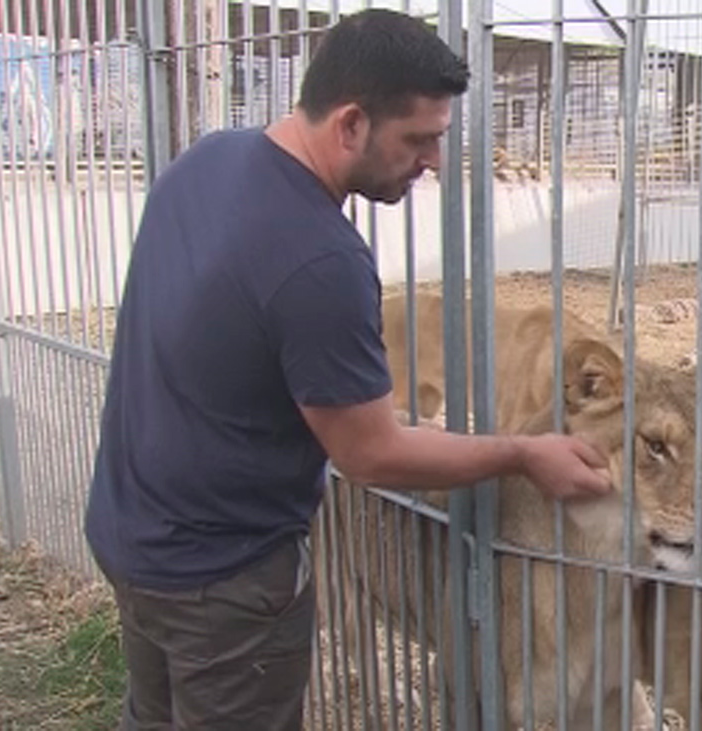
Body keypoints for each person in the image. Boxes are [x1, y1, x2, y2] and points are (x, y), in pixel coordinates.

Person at [83, 8, 611, 729]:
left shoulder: (206, 161)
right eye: (419, 139)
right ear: (352, 123)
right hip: (223, 578)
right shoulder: (320, 259)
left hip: (129, 531)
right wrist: (523, 453)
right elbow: (370, 454)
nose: (434, 161)